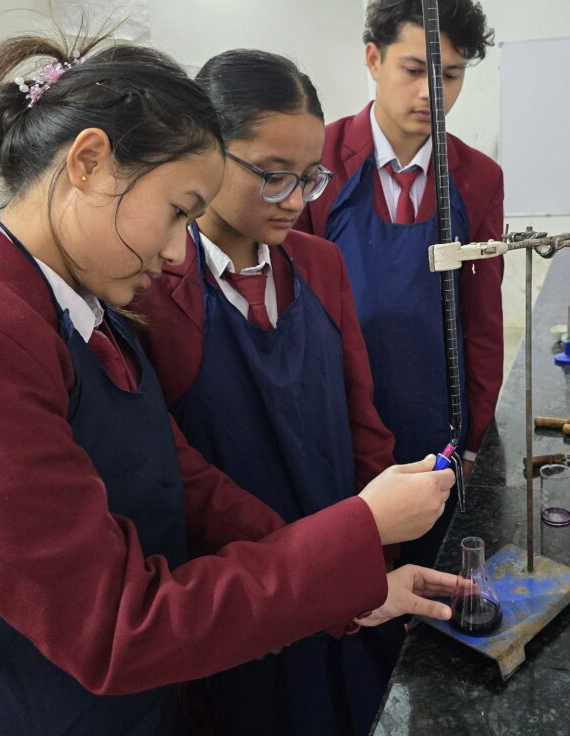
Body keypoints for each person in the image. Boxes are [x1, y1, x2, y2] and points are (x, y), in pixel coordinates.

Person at [0, 31, 461, 736]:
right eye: (179, 211)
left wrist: (355, 576)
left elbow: (183, 482)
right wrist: (362, 527)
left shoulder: (84, 303)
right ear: (89, 162)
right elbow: (116, 626)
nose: (172, 250)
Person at [133, 49, 401, 736]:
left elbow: (362, 422)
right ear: (206, 155)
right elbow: (179, 480)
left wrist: (370, 556)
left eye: (309, 178)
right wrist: (305, 570)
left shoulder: (320, 264)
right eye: (273, 176)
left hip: (345, 578)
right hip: (243, 593)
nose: (296, 201)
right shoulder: (150, 294)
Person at [297, 0, 504, 568]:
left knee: (435, 576)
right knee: (354, 577)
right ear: (373, 58)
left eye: (451, 75)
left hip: (438, 419)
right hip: (337, 417)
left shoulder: (479, 178)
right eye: (414, 70)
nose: (431, 94)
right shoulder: (316, 162)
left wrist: (472, 442)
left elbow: (483, 322)